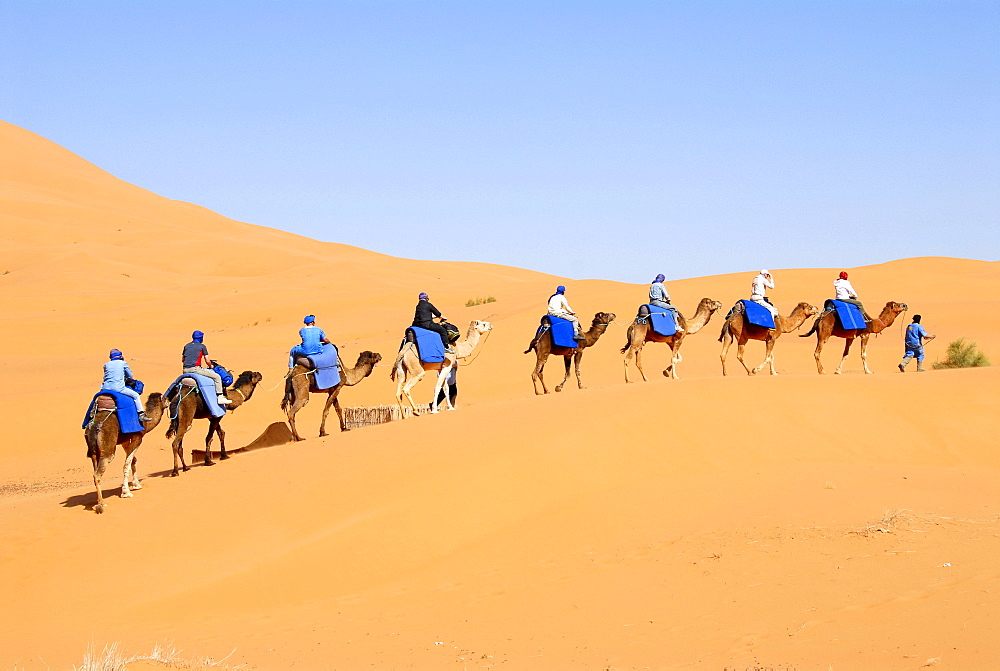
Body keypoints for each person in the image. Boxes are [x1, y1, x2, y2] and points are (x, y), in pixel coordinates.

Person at [182, 330, 232, 405]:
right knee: (217, 377)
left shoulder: (186, 346)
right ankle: (220, 397)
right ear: (201, 338)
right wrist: (211, 366)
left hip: (185, 370)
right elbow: (207, 360)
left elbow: (183, 359)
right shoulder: (202, 346)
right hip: (195, 369)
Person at [101, 348, 148, 421]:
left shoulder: (106, 365)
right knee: (135, 396)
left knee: (96, 400)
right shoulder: (123, 363)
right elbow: (130, 376)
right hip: (118, 388)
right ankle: (141, 414)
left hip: (105, 388)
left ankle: (88, 418)